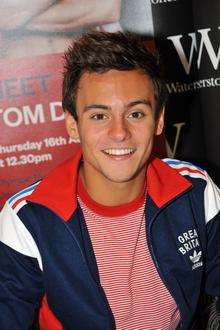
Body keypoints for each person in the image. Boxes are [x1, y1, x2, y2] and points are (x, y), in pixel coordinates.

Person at [0, 31, 220, 330]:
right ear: (72, 124)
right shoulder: (27, 217)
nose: (119, 133)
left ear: (158, 120)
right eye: (99, 116)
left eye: (136, 113)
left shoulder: (196, 190)